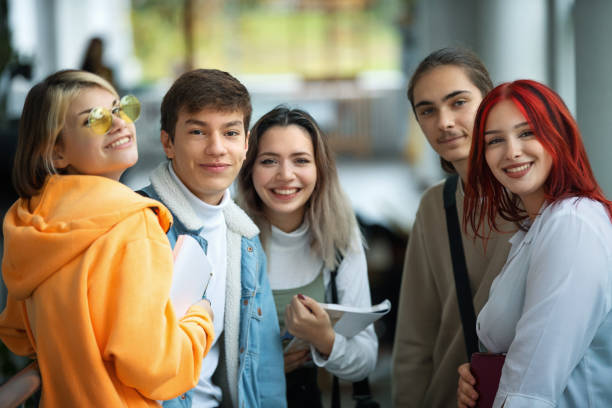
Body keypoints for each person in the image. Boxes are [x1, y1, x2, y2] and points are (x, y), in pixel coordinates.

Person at [0, 70, 214, 406]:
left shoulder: (28, 225)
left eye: (120, 109)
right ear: (57, 152)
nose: (118, 124)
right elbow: (153, 367)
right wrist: (200, 321)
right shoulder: (133, 224)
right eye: (95, 119)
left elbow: (17, 334)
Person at [457, 80, 612, 408]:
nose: (511, 151)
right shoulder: (537, 227)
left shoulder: (572, 224)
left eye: (527, 133)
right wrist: (482, 373)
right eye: (495, 140)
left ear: (559, 136)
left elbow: (531, 390)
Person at [139, 69, 286, 408]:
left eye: (230, 132)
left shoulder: (245, 240)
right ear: (168, 143)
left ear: (246, 144)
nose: (217, 148)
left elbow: (263, 368)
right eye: (197, 131)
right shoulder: (139, 225)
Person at [391, 47, 514, 407]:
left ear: (490, 102)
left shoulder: (536, 201)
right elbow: (415, 336)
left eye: (458, 102)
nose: (444, 122)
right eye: (427, 110)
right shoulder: (435, 207)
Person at [236, 106, 378, 407]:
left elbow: (365, 360)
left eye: (300, 160)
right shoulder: (228, 234)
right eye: (269, 161)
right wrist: (261, 366)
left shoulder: (339, 235)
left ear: (320, 169)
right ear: (249, 169)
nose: (285, 175)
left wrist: (325, 340)